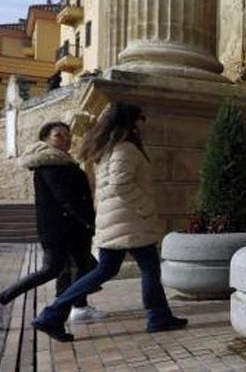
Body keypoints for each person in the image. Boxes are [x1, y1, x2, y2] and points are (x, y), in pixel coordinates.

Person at [30, 102, 187, 342]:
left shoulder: (108, 149)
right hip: (130, 221)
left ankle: (53, 315)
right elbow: (120, 184)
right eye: (138, 122)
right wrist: (145, 206)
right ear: (129, 124)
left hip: (118, 221)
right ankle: (157, 316)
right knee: (145, 267)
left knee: (116, 269)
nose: (140, 127)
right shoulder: (124, 149)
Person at [0, 121, 106, 329]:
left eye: (68, 135)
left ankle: (79, 306)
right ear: (45, 139)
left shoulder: (63, 162)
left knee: (80, 266)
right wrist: (88, 220)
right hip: (60, 228)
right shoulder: (50, 162)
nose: (65, 139)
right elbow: (66, 197)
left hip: (72, 227)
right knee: (52, 269)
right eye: (58, 135)